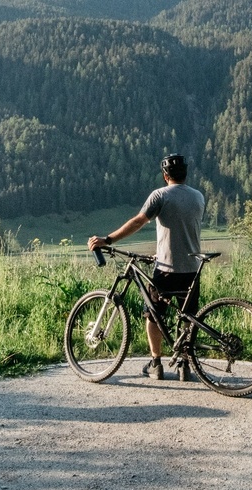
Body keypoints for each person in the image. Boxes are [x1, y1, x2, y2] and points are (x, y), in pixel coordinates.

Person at [88, 153, 205, 381]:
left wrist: (108, 240)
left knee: (153, 314)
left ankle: (156, 363)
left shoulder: (159, 195)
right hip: (192, 267)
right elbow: (183, 227)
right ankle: (184, 365)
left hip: (167, 269)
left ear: (165, 176)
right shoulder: (198, 197)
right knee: (188, 316)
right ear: (186, 174)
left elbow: (139, 221)